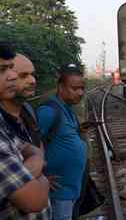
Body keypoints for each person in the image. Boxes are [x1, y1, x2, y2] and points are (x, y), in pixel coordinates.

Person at [0, 42, 50, 219]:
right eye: (24, 75)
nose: (32, 80)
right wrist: (40, 174)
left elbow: (36, 148)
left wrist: (33, 162)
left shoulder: (28, 111)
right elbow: (34, 200)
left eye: (32, 74)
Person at [37, 64, 86, 220]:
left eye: (82, 88)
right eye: (75, 88)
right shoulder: (48, 112)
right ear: (60, 87)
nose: (80, 93)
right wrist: (39, 177)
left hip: (71, 189)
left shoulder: (67, 109)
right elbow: (26, 146)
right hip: (58, 193)